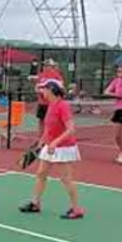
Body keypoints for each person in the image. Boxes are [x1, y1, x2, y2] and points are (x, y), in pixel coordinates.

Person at [19, 79, 85, 220]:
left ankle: (77, 209)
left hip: (63, 147)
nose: (42, 91)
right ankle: (35, 203)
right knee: (41, 173)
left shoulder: (63, 106)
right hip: (50, 145)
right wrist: (41, 141)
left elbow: (71, 129)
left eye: (44, 89)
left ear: (52, 90)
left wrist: (55, 142)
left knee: (66, 179)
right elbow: (49, 127)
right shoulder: (51, 105)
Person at [33, 59, 64, 138]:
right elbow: (36, 88)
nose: (45, 67)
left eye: (47, 65)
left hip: (52, 103)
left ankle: (51, 136)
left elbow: (61, 87)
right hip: (42, 103)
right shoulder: (41, 75)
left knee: (52, 120)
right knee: (41, 120)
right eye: (44, 65)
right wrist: (40, 91)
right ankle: (41, 137)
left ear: (52, 67)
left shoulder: (56, 76)